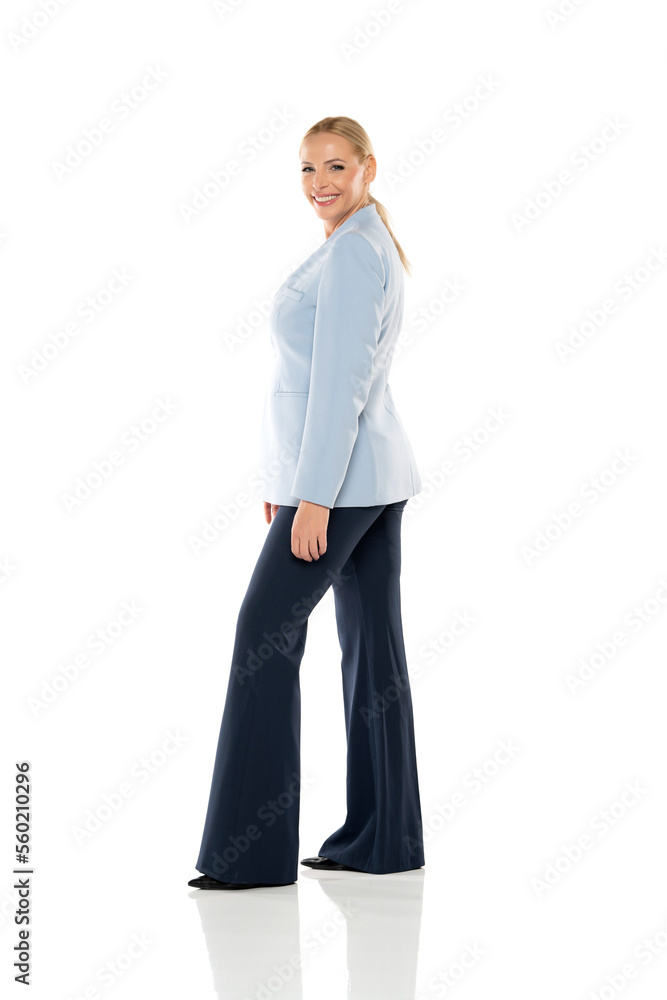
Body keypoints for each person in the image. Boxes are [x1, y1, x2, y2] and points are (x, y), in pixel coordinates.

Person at [189, 116, 425, 890]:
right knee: (372, 656)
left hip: (341, 485)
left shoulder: (356, 252)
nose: (317, 182)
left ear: (368, 168)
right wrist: (282, 480)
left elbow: (336, 391)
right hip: (367, 479)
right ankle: (381, 838)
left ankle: (246, 857)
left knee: (263, 635)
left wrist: (310, 496)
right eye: (305, 169)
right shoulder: (354, 244)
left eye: (333, 166)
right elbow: (313, 383)